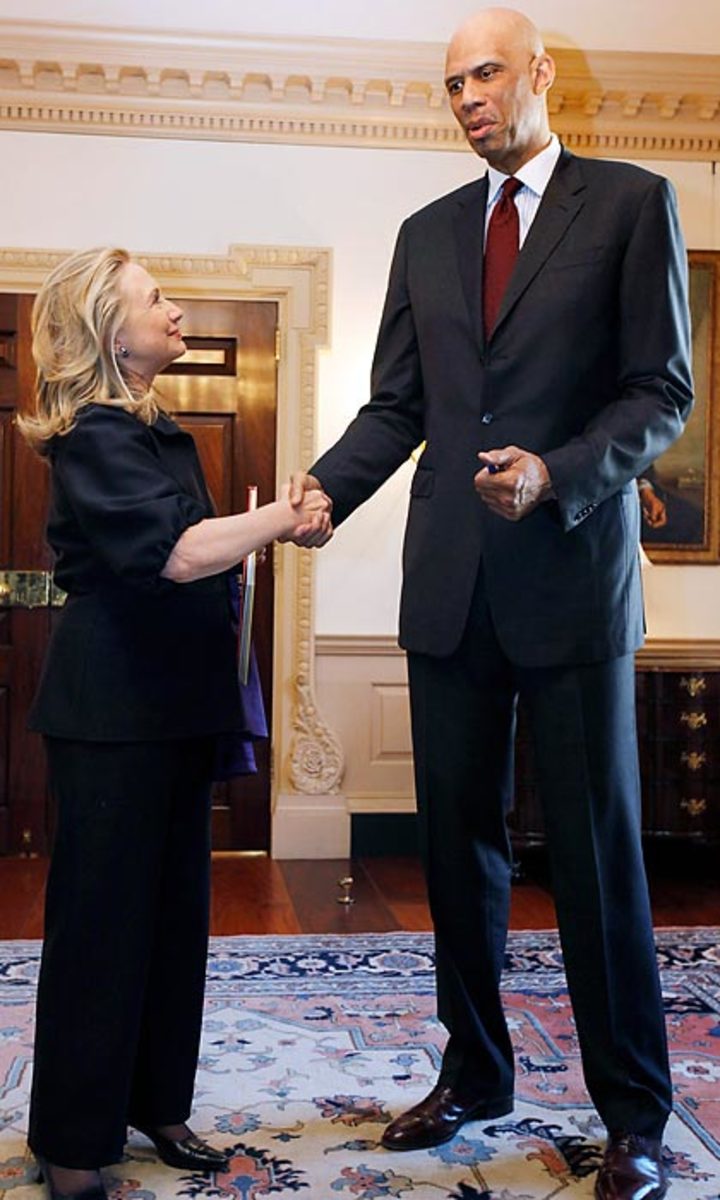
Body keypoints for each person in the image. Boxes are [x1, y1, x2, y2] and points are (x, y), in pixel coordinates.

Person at [289, 9, 693, 1199]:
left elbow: (659, 391)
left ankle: (634, 1117)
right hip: (451, 588)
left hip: (571, 577)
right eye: (450, 81)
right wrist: (326, 487)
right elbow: (398, 404)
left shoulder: (628, 204)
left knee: (596, 854)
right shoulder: (425, 235)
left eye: (486, 73)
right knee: (454, 851)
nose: (466, 96)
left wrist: (556, 474)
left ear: (541, 75)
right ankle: (475, 1075)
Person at [19, 247, 331, 1200]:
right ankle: (73, 1145)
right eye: (158, 300)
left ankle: (157, 1105)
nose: (177, 311)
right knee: (101, 931)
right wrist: (277, 519)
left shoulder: (166, 435)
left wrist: (264, 528)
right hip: (112, 711)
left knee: (172, 923)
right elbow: (181, 556)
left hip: (177, 706)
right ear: (111, 330)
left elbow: (202, 552)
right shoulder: (92, 437)